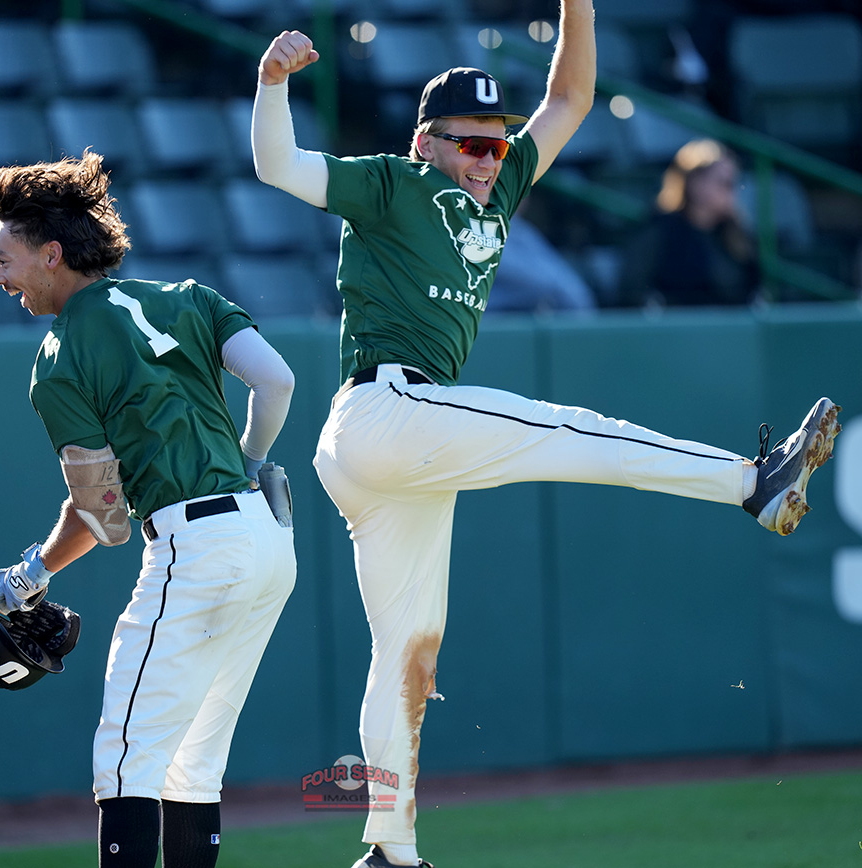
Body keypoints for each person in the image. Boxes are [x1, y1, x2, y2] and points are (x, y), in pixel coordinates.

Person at [252, 5, 840, 867]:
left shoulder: (501, 184)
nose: (491, 159)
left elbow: (569, 96)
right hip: (386, 412)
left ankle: (389, 851)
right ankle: (752, 482)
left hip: (400, 454)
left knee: (408, 653)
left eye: (498, 143)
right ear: (428, 142)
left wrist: (579, 8)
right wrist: (271, 84)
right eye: (472, 144)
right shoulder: (391, 182)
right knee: (568, 428)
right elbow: (273, 163)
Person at [0, 149, 297, 868]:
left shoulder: (59, 356)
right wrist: (244, 465)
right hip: (269, 541)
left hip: (194, 548)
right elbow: (277, 382)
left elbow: (102, 517)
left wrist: (29, 573)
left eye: (4, 258)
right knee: (192, 763)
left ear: (51, 254)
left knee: (125, 761)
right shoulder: (189, 294)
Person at [618, 138, 761, 308]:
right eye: (724, 183)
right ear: (695, 183)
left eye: (733, 183)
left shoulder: (738, 235)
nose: (731, 193)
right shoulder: (658, 232)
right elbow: (634, 292)